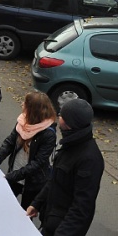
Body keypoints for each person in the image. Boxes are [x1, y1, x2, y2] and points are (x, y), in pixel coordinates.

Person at [26, 99, 104, 235]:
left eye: (62, 115)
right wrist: (36, 203)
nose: (58, 116)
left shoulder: (89, 160)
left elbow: (81, 208)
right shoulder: (70, 145)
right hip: (51, 223)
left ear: (71, 123)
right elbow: (54, 180)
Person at [0, 91, 57, 210]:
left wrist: (14, 175)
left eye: (25, 103)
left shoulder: (48, 134)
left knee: (25, 213)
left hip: (33, 183)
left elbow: (37, 163)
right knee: (1, 206)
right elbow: (10, 142)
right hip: (15, 175)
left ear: (33, 110)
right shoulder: (22, 121)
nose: (22, 104)